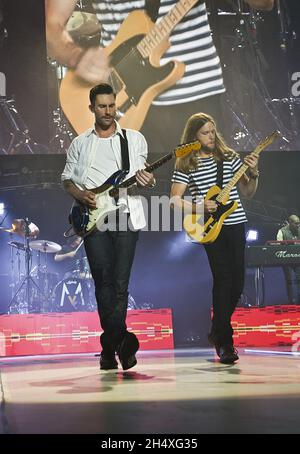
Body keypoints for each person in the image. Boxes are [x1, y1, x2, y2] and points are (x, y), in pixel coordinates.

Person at [45, 0, 274, 153]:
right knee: (137, 212)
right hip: (121, 104)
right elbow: (52, 25)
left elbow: (265, 3)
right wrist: (76, 56)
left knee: (206, 208)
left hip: (195, 95)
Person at [61, 83, 155, 370]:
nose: (108, 111)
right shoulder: (80, 143)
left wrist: (148, 181)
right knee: (103, 281)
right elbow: (66, 179)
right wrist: (80, 194)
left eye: (112, 105)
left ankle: (109, 347)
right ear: (92, 108)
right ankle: (122, 345)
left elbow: (142, 174)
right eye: (102, 106)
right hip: (93, 218)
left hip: (125, 213)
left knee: (120, 284)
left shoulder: (134, 139)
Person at [170, 112, 259, 364]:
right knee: (223, 280)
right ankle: (225, 343)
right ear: (193, 136)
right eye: (205, 132)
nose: (211, 136)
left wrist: (254, 173)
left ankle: (217, 329)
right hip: (212, 228)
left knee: (238, 284)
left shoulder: (229, 156)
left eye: (213, 131)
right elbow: (174, 200)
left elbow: (248, 192)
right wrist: (200, 206)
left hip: (236, 222)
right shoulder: (186, 163)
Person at [276, 214, 300, 304]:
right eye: (296, 223)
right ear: (290, 222)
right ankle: (291, 300)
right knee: (289, 280)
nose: (298, 225)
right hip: (287, 259)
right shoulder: (282, 231)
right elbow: (278, 246)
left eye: (299, 223)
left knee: (299, 279)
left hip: (298, 260)